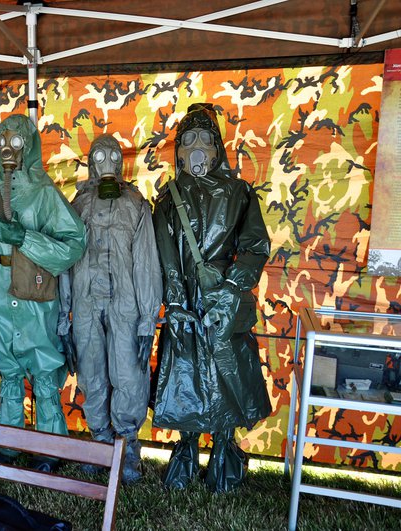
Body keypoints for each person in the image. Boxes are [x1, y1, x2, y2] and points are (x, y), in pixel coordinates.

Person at [152, 103, 272, 492]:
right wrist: (175, 301)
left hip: (224, 302)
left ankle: (224, 455)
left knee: (225, 381)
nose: (197, 147)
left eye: (205, 138)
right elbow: (165, 254)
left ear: (218, 146)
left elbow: (255, 245)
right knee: (185, 377)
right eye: (188, 140)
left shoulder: (239, 193)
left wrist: (232, 288)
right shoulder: (168, 199)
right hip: (186, 302)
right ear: (178, 150)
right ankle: (186, 454)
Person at [0, 114, 86, 466]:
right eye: (1, 141)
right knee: (9, 373)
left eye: (15, 142)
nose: (7, 149)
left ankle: (50, 448)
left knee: (44, 375)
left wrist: (23, 238)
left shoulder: (45, 194)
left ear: (28, 146)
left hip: (36, 297)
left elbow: (74, 245)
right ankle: (8, 443)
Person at [58, 134, 162, 484]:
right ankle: (100, 439)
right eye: (99, 157)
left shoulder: (135, 204)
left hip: (125, 304)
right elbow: (65, 262)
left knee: (128, 372)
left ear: (121, 162)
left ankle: (128, 444)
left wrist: (147, 318)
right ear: (90, 163)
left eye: (113, 156)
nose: (106, 163)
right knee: (91, 372)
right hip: (86, 303)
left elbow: (146, 262)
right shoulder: (78, 204)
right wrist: (64, 315)